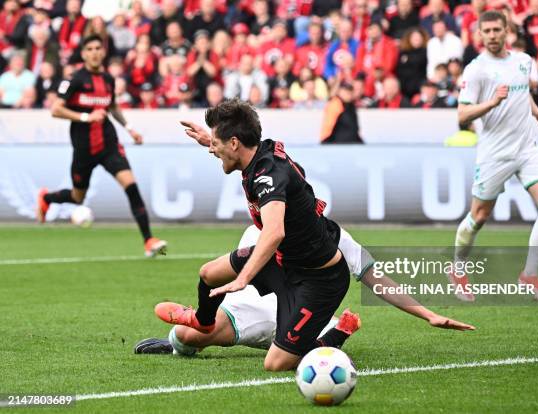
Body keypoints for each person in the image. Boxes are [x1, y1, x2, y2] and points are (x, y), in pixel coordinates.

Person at [156, 99, 357, 372]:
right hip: (285, 260)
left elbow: (274, 232)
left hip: (318, 280)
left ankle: (336, 336)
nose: (213, 149)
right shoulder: (259, 154)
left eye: (217, 142)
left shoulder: (267, 175)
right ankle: (204, 320)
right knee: (209, 273)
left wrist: (244, 278)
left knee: (276, 364)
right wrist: (212, 141)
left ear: (235, 143)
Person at [136, 225, 475, 355]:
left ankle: (335, 333)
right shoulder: (257, 233)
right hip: (249, 311)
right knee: (183, 336)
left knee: (298, 359)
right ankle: (181, 341)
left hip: (305, 311)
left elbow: (375, 278)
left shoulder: (335, 237)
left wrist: (428, 315)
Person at [453, 11, 538, 302]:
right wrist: (493, 101)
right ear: (479, 34)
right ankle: (458, 269)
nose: (491, 35)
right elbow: (463, 113)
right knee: (479, 216)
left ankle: (529, 274)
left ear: (506, 31)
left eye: (496, 30)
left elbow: (521, 91)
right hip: (494, 153)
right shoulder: (476, 70)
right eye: (485, 31)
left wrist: (537, 113)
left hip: (527, 148)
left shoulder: (524, 61)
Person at [36, 35, 167, 258]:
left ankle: (148, 240)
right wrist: (87, 117)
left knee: (131, 186)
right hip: (84, 148)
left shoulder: (108, 79)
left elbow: (113, 106)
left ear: (103, 52)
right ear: (84, 53)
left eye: (98, 48)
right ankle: (46, 198)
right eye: (90, 49)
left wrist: (130, 128)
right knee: (78, 198)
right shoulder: (74, 80)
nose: (95, 52)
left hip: (109, 145)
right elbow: (55, 110)